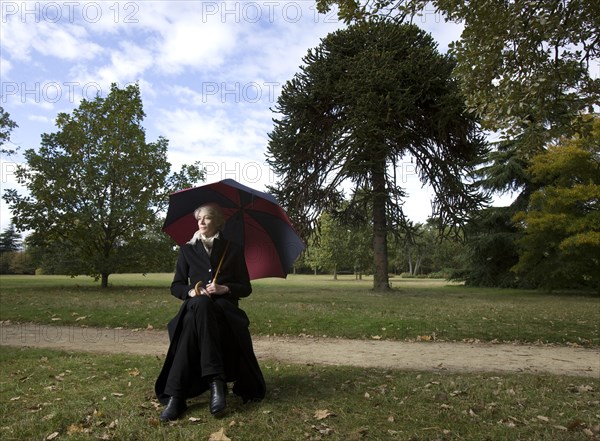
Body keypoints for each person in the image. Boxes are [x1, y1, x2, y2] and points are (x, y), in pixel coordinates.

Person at [155, 203, 266, 421]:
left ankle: (177, 396)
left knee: (194, 322)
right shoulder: (187, 249)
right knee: (201, 305)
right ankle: (216, 381)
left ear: (217, 221)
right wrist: (191, 293)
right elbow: (176, 286)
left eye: (207, 218)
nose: (202, 222)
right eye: (199, 219)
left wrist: (226, 288)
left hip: (223, 309)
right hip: (195, 305)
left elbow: (246, 287)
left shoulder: (232, 248)